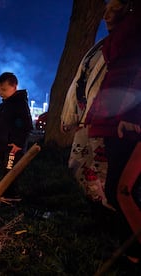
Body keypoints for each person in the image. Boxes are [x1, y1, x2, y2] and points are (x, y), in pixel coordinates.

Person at [84, 0, 141, 264]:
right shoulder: (122, 33)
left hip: (127, 120)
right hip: (116, 117)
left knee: (125, 190)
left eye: (113, 9)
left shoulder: (134, 26)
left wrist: (134, 116)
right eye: (106, 10)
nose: (107, 15)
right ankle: (131, 249)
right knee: (119, 189)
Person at [61, 35, 108, 206]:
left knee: (101, 168)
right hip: (86, 118)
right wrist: (69, 117)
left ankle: (104, 208)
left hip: (103, 120)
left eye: (114, 11)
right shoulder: (99, 47)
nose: (107, 16)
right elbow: (79, 83)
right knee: (77, 164)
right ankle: (90, 203)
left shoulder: (125, 45)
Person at [0, 72, 33, 195]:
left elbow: (26, 126)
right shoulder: (4, 105)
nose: (1, 93)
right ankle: (4, 193)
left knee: (10, 173)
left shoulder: (20, 104)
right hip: (2, 145)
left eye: (4, 89)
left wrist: (19, 143)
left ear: (14, 86)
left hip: (13, 147)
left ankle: (11, 196)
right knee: (4, 170)